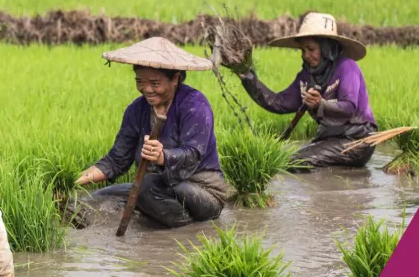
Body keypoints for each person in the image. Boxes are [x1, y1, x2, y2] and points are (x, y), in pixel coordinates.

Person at [72, 37, 229, 229]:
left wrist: (163, 156)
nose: (146, 89)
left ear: (175, 78)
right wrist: (76, 179)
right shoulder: (136, 110)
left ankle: (189, 228)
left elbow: (193, 155)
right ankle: (155, 218)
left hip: (202, 191)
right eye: (140, 81)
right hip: (157, 186)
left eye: (155, 83)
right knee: (95, 198)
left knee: (145, 188)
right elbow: (116, 160)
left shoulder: (195, 105)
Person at [237, 12, 377, 170]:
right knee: (289, 159)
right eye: (302, 50)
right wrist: (247, 77)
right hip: (331, 138)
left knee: (294, 162)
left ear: (326, 48)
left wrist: (321, 104)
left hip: (357, 139)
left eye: (311, 49)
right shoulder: (306, 76)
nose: (306, 55)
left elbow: (349, 107)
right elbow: (279, 103)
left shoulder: (347, 67)